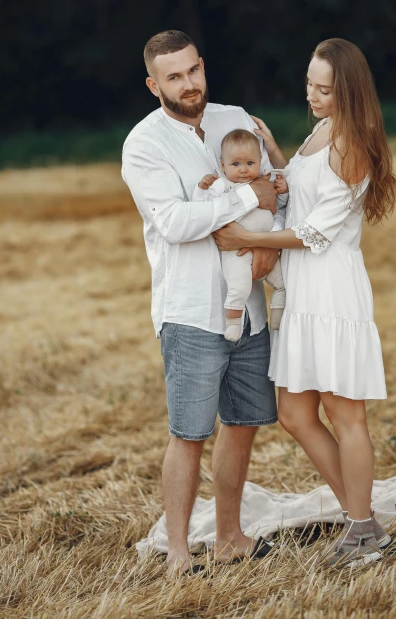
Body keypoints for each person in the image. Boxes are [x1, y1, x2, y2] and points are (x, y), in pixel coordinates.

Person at [213, 38, 396, 568]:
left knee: (345, 414)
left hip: (332, 288)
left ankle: (361, 531)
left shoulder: (352, 144)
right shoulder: (321, 132)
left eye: (325, 89)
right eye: (309, 84)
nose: (313, 96)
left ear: (349, 90)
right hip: (300, 293)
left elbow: (316, 232)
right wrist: (272, 152)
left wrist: (243, 241)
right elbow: (294, 189)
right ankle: (363, 520)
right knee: (294, 412)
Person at [121, 30, 280, 576]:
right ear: (153, 84)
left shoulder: (235, 119)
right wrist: (243, 197)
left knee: (243, 423)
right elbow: (174, 222)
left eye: (193, 71)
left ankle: (230, 538)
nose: (188, 84)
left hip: (249, 310)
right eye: (173, 76)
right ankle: (180, 552)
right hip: (190, 310)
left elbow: (279, 186)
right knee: (189, 433)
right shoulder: (144, 144)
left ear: (203, 66)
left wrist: (266, 243)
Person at [193, 128, 287, 342]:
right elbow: (203, 208)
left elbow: (279, 206)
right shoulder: (222, 186)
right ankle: (233, 323)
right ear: (223, 165)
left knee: (283, 282)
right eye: (236, 164)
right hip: (237, 251)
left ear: (260, 161)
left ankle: (278, 316)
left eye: (249, 163)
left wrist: (283, 191)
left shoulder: (266, 182)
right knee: (239, 286)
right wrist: (201, 189)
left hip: (266, 246)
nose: (243, 170)